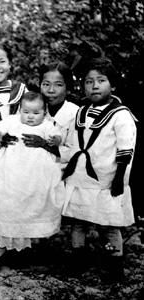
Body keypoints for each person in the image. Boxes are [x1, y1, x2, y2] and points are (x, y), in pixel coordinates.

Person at [62, 57, 137, 282]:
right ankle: (78, 258)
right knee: (78, 221)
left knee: (109, 224)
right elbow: (72, 140)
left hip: (107, 179)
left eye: (101, 80)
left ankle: (115, 266)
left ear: (112, 85)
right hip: (81, 177)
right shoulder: (80, 112)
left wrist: (119, 179)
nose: (94, 86)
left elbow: (126, 149)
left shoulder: (121, 115)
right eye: (88, 81)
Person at [0, 91, 65, 274]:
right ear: (20, 111)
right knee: (4, 204)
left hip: (35, 176)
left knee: (29, 207)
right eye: (26, 112)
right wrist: (0, 137)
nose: (30, 117)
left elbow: (57, 138)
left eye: (35, 113)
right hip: (9, 173)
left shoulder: (47, 126)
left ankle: (22, 252)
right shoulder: (13, 122)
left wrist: (53, 140)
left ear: (44, 112)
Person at [39, 61, 79, 171]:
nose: (51, 90)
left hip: (62, 176)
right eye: (46, 84)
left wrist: (43, 145)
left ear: (68, 87)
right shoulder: (34, 109)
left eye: (58, 85)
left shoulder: (75, 114)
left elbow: (74, 152)